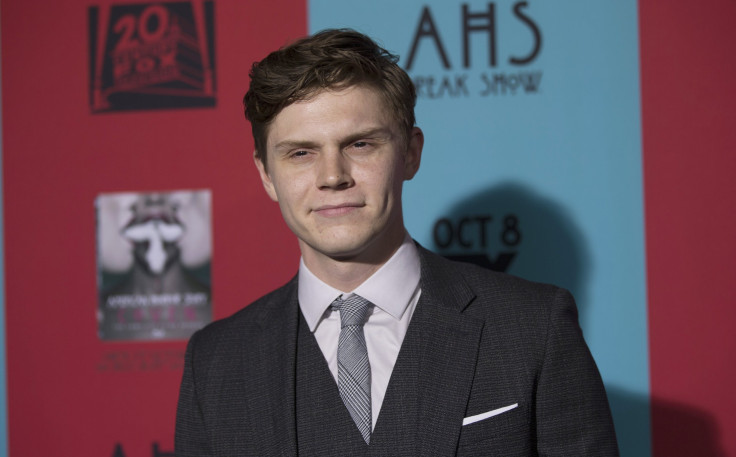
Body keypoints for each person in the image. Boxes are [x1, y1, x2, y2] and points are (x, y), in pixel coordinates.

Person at [175, 28, 619, 456]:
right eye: (301, 153)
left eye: (361, 144)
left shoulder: (532, 328)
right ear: (266, 174)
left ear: (410, 152)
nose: (333, 176)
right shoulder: (215, 364)